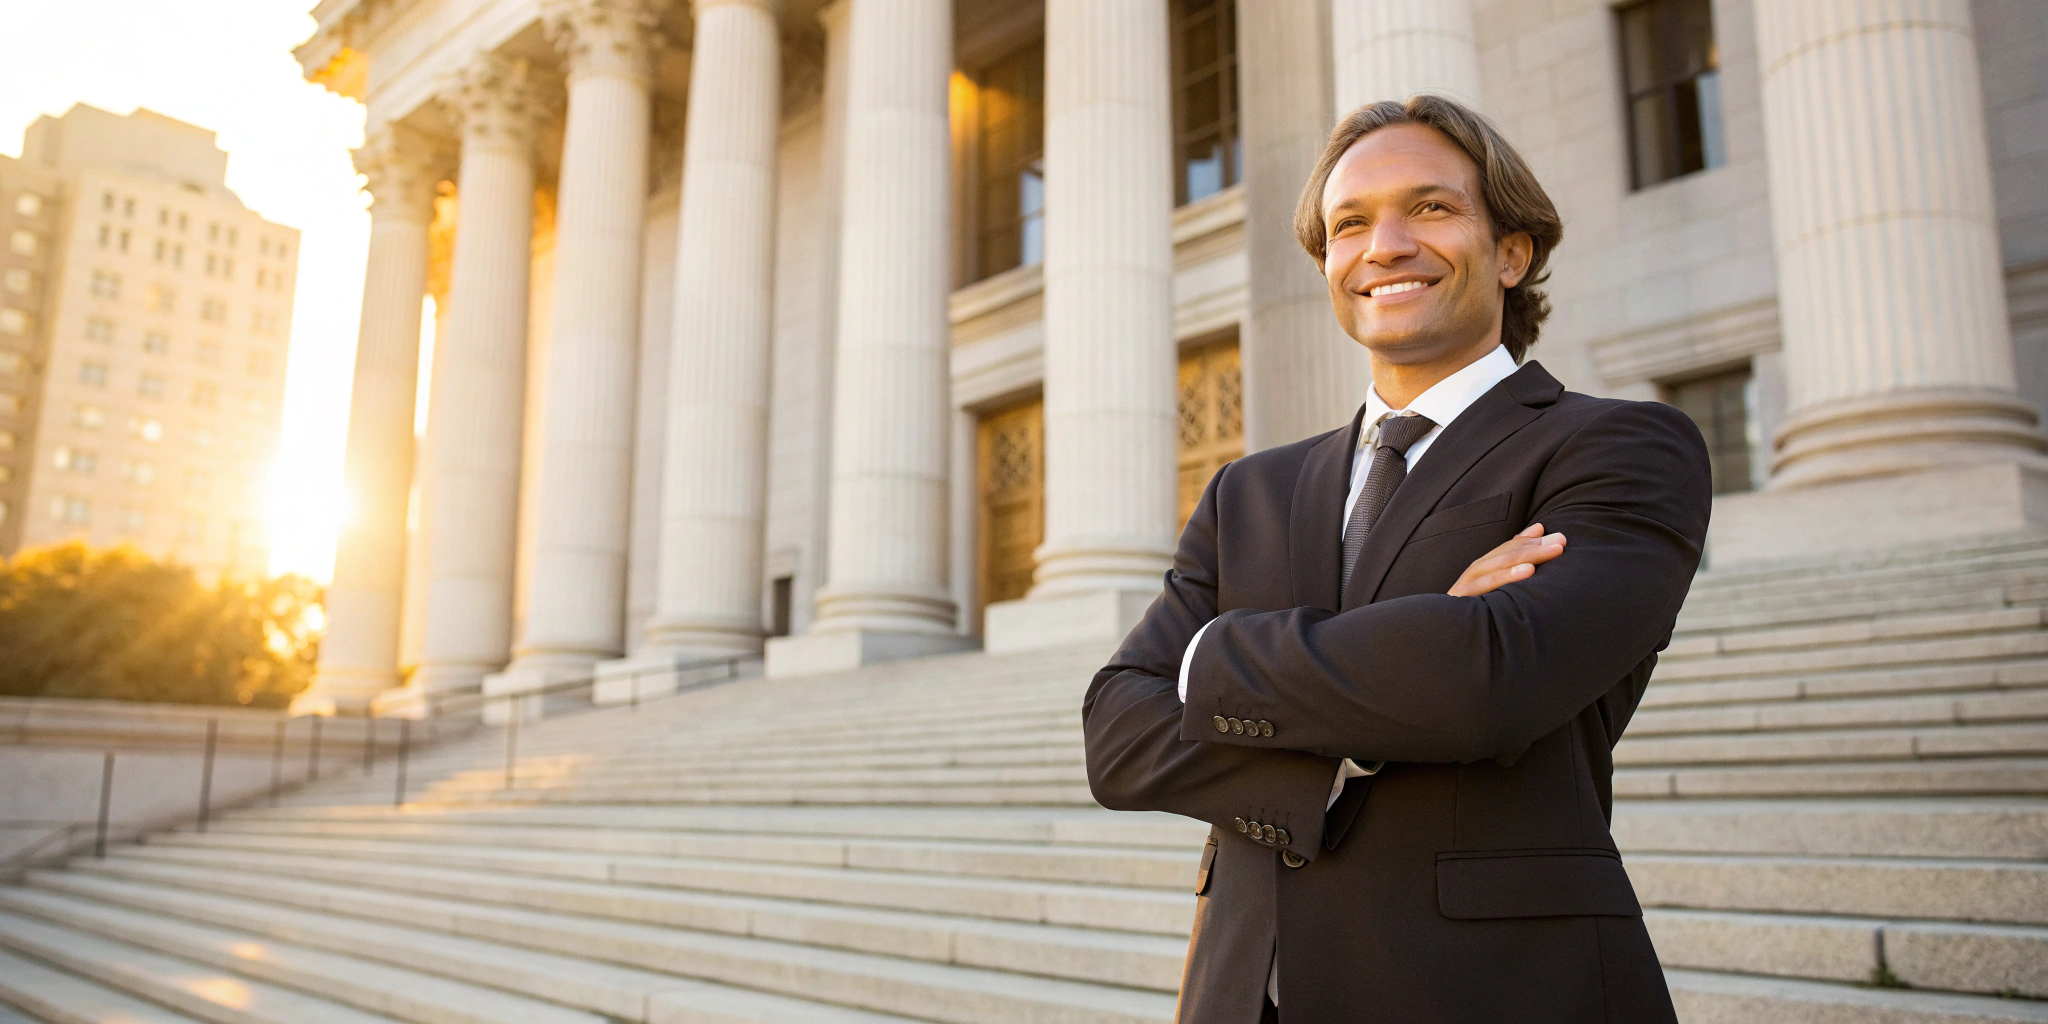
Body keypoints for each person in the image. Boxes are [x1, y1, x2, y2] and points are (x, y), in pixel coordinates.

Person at [1081, 94, 1712, 1023]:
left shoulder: (1621, 448)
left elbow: (1489, 678)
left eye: (1431, 208)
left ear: (1512, 251)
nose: (1384, 246)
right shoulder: (1248, 491)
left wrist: (1212, 661)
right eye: (1350, 224)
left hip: (1499, 991)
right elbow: (1117, 736)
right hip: (1243, 994)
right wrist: (1405, 660)